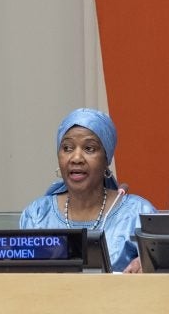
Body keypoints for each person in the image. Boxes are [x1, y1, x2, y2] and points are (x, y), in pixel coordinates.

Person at [20, 108, 156, 272]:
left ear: (107, 159)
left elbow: (166, 275)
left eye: (89, 149)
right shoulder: (37, 215)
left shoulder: (138, 213)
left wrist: (150, 265)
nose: (76, 158)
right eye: (67, 148)